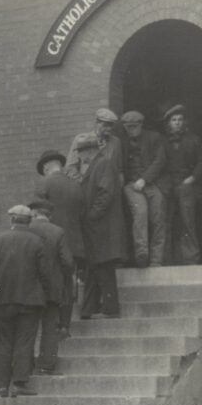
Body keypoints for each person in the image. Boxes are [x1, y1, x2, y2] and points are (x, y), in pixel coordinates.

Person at [0, 205, 49, 398]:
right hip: (30, 301)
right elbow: (45, 273)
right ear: (29, 221)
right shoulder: (38, 242)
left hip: (2, 301)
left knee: (3, 343)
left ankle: (1, 386)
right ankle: (20, 383)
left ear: (11, 220)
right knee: (24, 341)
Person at [34, 148, 85, 336]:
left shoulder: (44, 183)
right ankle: (65, 325)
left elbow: (38, 213)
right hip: (75, 243)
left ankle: (51, 325)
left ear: (47, 167)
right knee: (68, 283)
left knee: (50, 282)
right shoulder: (76, 185)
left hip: (50, 242)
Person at [74, 132, 125, 318]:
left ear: (89, 151)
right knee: (94, 267)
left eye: (80, 151)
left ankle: (109, 309)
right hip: (97, 229)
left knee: (102, 268)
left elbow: (105, 194)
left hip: (101, 229)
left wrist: (91, 216)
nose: (79, 156)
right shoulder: (98, 165)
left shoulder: (103, 164)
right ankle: (90, 309)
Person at [27, 200, 75, 374]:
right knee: (49, 326)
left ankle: (26, 366)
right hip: (52, 288)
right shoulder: (58, 231)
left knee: (29, 327)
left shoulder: (25, 230)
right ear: (50, 215)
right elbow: (67, 262)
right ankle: (46, 365)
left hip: (29, 289)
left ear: (33, 214)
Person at [121, 110, 168, 267]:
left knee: (158, 219)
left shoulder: (154, 138)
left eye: (134, 126)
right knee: (140, 213)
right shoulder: (121, 142)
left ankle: (156, 260)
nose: (131, 130)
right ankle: (142, 252)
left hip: (152, 184)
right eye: (128, 127)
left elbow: (160, 160)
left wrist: (145, 178)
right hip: (131, 185)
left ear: (141, 125)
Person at [162, 104, 202, 265]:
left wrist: (192, 178)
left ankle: (190, 259)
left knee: (187, 221)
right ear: (168, 123)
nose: (177, 123)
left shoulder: (194, 140)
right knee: (166, 222)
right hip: (168, 186)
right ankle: (167, 260)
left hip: (187, 185)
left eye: (180, 119)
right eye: (174, 120)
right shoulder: (163, 142)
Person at [64, 108, 121, 182]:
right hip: (87, 184)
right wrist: (81, 181)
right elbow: (71, 166)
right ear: (96, 123)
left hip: (107, 186)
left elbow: (119, 167)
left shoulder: (115, 142)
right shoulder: (81, 140)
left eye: (111, 125)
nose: (109, 129)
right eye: (105, 125)